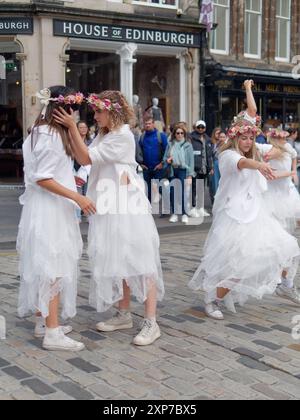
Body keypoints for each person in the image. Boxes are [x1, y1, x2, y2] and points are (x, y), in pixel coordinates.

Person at [53, 90, 165, 346]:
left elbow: (85, 157)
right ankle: (123, 313)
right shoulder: (104, 135)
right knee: (117, 259)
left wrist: (71, 125)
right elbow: (85, 160)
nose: (95, 116)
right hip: (108, 205)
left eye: (98, 111)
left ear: (112, 111)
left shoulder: (123, 135)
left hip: (127, 206)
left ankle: (151, 322)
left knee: (141, 260)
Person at [189, 118, 300, 320]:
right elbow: (243, 163)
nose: (248, 142)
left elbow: (270, 172)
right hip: (234, 217)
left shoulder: (255, 156)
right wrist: (259, 164)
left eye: (251, 138)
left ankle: (285, 284)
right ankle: (213, 299)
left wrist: (290, 172)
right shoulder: (228, 155)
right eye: (244, 138)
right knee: (237, 266)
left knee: (287, 247)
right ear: (235, 138)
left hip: (257, 215)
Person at [17, 86, 96, 351]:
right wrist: (78, 197)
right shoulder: (50, 135)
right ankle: (52, 332)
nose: (75, 113)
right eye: (72, 108)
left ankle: (43, 321)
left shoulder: (38, 131)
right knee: (54, 267)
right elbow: (42, 178)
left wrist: (73, 129)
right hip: (50, 209)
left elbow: (80, 160)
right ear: (62, 109)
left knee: (47, 265)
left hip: (44, 208)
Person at [163, 123, 195, 224]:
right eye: (178, 133)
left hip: (183, 170)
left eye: (182, 133)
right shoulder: (170, 144)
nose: (180, 135)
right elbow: (164, 158)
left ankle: (184, 213)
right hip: (173, 170)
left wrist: (190, 175)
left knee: (182, 192)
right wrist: (167, 160)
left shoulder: (188, 145)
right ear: (174, 134)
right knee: (172, 191)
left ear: (184, 134)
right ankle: (175, 214)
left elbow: (191, 161)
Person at [139, 118, 168, 203]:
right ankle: (148, 211)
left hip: (158, 167)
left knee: (160, 188)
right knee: (148, 191)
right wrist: (141, 163)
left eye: (149, 123)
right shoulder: (142, 137)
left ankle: (167, 210)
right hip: (146, 168)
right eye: (146, 124)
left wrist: (162, 163)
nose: (147, 125)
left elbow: (167, 150)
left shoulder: (161, 136)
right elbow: (139, 151)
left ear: (153, 124)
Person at [190, 120, 213, 217]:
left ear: (205, 128)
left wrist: (210, 166)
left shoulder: (207, 139)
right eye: (198, 127)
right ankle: (193, 207)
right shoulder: (191, 137)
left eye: (202, 127)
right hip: (195, 167)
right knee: (194, 188)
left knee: (201, 188)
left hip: (204, 167)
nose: (200, 129)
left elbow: (209, 155)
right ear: (195, 127)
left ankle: (200, 208)